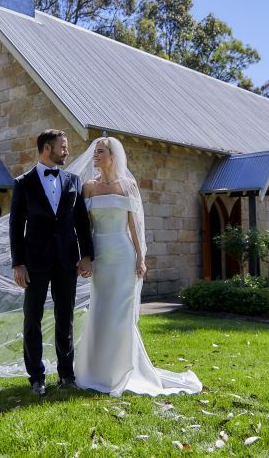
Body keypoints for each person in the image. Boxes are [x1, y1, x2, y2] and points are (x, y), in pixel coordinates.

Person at [72, 137, 202, 397]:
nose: (95, 155)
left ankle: (122, 371)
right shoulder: (87, 187)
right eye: (95, 152)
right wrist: (84, 256)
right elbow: (84, 228)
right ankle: (95, 370)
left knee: (120, 312)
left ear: (113, 156)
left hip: (122, 255)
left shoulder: (129, 186)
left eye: (101, 152)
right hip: (99, 253)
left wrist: (141, 258)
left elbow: (135, 225)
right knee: (100, 308)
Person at [9, 129, 94, 396]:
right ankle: (36, 377)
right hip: (34, 261)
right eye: (63, 146)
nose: (67, 151)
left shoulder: (74, 180)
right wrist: (18, 263)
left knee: (65, 317)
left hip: (67, 259)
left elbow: (82, 221)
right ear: (48, 148)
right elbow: (15, 226)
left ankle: (66, 374)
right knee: (32, 317)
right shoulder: (23, 183)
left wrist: (87, 255)